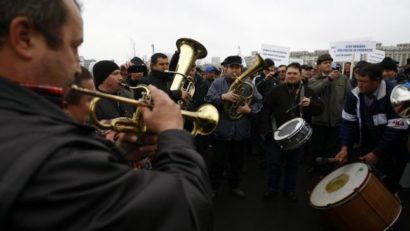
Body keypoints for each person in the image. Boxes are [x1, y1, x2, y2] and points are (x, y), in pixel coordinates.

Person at [0, 1, 213, 230]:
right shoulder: (50, 154)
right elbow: (187, 208)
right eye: (73, 47)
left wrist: (115, 154)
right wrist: (173, 133)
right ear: (23, 37)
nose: (76, 67)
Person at [335, 63, 408, 193]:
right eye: (357, 80)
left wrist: (377, 152)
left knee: (388, 187)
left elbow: (396, 128)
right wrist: (345, 147)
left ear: (378, 81)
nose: (359, 85)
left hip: (393, 149)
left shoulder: (398, 94)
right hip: (366, 144)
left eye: (364, 81)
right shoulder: (354, 95)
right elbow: (347, 122)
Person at [259, 63, 324, 202]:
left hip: (298, 138)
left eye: (295, 73)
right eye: (289, 73)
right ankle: (272, 188)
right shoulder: (276, 90)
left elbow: (320, 110)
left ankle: (290, 190)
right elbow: (265, 111)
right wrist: (266, 131)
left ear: (300, 75)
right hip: (277, 135)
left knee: (293, 165)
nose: (291, 76)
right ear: (285, 74)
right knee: (274, 164)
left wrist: (311, 104)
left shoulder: (308, 91)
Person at [205, 55, 263, 198]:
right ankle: (214, 187)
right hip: (222, 131)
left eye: (237, 67)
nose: (234, 70)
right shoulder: (217, 83)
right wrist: (222, 97)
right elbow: (207, 100)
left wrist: (249, 110)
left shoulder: (249, 83)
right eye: (231, 67)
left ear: (241, 68)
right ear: (225, 69)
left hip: (241, 131)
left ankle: (235, 186)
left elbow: (259, 102)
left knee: (237, 163)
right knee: (218, 162)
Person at [307, 54, 351, 173]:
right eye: (325, 62)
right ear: (319, 65)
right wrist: (329, 79)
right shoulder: (313, 80)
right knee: (317, 147)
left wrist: (343, 109)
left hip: (336, 120)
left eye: (329, 62)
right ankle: (315, 166)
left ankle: (328, 170)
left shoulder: (342, 78)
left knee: (332, 148)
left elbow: (349, 95)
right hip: (319, 120)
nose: (328, 64)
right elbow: (314, 92)